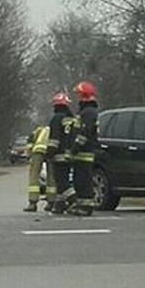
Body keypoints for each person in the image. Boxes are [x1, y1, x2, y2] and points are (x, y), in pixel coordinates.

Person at [69, 81, 100, 216]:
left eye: (78, 94)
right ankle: (81, 204)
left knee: (84, 179)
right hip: (82, 152)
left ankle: (86, 206)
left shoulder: (88, 112)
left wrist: (76, 147)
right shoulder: (86, 111)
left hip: (85, 152)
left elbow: (85, 132)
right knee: (79, 179)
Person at [47, 92, 77, 215]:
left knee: (61, 181)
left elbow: (54, 139)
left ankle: (73, 200)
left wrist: (49, 153)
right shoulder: (72, 119)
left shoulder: (56, 118)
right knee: (63, 180)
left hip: (59, 155)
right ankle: (59, 205)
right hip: (71, 154)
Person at [24, 124, 57, 212]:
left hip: (38, 150)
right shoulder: (53, 129)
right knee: (51, 175)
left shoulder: (38, 130)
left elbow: (30, 143)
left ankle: (33, 203)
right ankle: (51, 202)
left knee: (34, 175)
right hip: (51, 150)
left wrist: (29, 154)